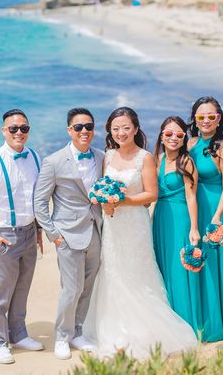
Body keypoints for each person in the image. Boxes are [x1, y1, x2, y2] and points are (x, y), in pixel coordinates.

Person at [84, 107, 198, 358]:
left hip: (135, 223)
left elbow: (151, 194)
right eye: (115, 128)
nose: (121, 132)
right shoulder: (108, 155)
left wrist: (121, 200)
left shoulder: (145, 157)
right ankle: (116, 329)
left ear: (136, 129)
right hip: (113, 225)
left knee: (136, 271)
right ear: (110, 132)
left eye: (126, 127)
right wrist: (105, 201)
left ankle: (146, 331)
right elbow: (104, 187)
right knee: (113, 271)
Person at [0, 109, 44, 365]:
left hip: (28, 232)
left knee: (22, 287)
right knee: (0, 291)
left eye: (23, 128)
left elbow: (36, 198)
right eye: (13, 129)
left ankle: (19, 334)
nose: (18, 133)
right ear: (4, 131)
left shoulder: (35, 157)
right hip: (4, 235)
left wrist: (37, 230)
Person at [34, 108, 104, 360]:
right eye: (78, 127)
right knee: (71, 289)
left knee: (87, 286)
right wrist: (54, 234)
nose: (84, 131)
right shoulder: (53, 162)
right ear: (69, 130)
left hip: (96, 231)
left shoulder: (101, 156)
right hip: (67, 234)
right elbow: (40, 202)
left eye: (88, 126)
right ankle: (62, 337)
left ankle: (77, 331)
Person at [188, 97, 223, 341]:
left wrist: (217, 217)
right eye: (201, 117)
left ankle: (218, 324)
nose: (206, 121)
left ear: (219, 119)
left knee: (217, 266)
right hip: (195, 207)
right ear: (195, 119)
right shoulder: (191, 143)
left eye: (211, 116)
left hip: (216, 208)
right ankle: (199, 320)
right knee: (199, 263)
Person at [151, 116, 203, 335]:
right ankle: (168, 321)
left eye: (179, 135)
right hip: (160, 217)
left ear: (184, 139)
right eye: (169, 134)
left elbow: (192, 197)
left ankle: (187, 323)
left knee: (179, 270)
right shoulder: (158, 158)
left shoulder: (186, 162)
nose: (173, 138)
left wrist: (194, 228)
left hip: (180, 218)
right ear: (161, 135)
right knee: (163, 268)